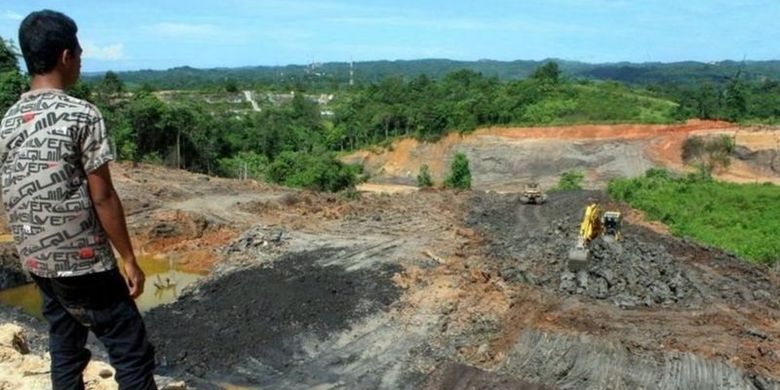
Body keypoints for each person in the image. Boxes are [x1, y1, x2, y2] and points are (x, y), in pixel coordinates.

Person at [0, 10, 156, 389]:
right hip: (85, 262)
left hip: (38, 260)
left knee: (66, 346)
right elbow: (102, 196)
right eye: (80, 53)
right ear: (66, 57)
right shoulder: (82, 115)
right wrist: (129, 258)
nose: (81, 61)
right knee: (131, 351)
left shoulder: (8, 120)